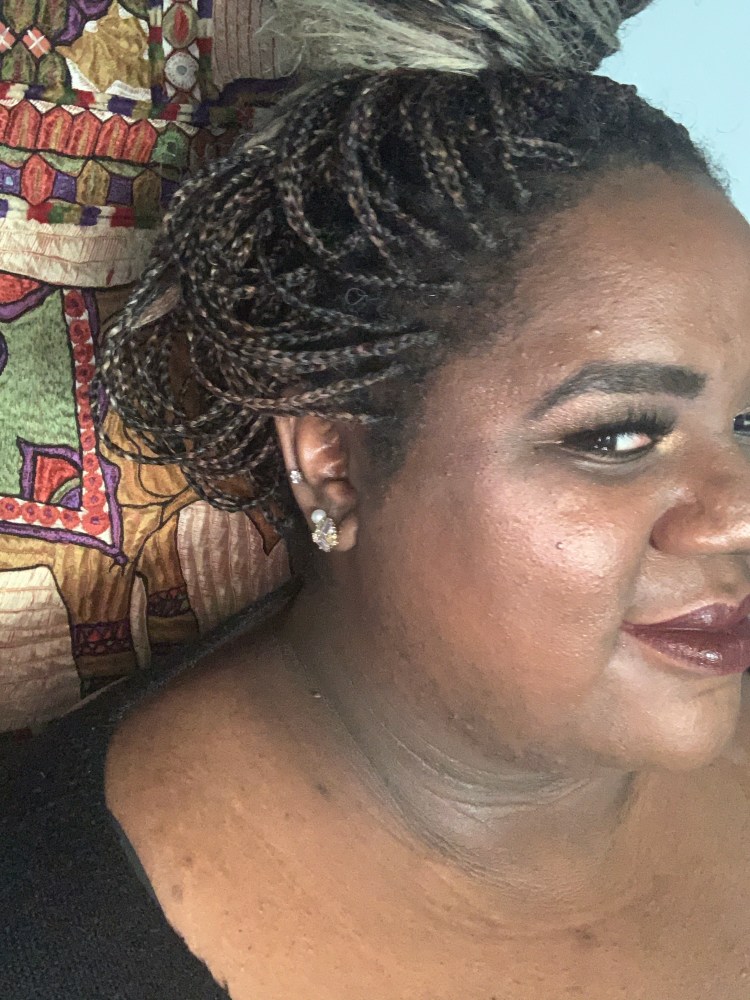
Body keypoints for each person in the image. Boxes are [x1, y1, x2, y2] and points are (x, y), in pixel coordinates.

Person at [4, 46, 750, 1000]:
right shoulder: (44, 943)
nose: (736, 517)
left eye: (748, 424)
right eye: (615, 436)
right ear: (334, 465)